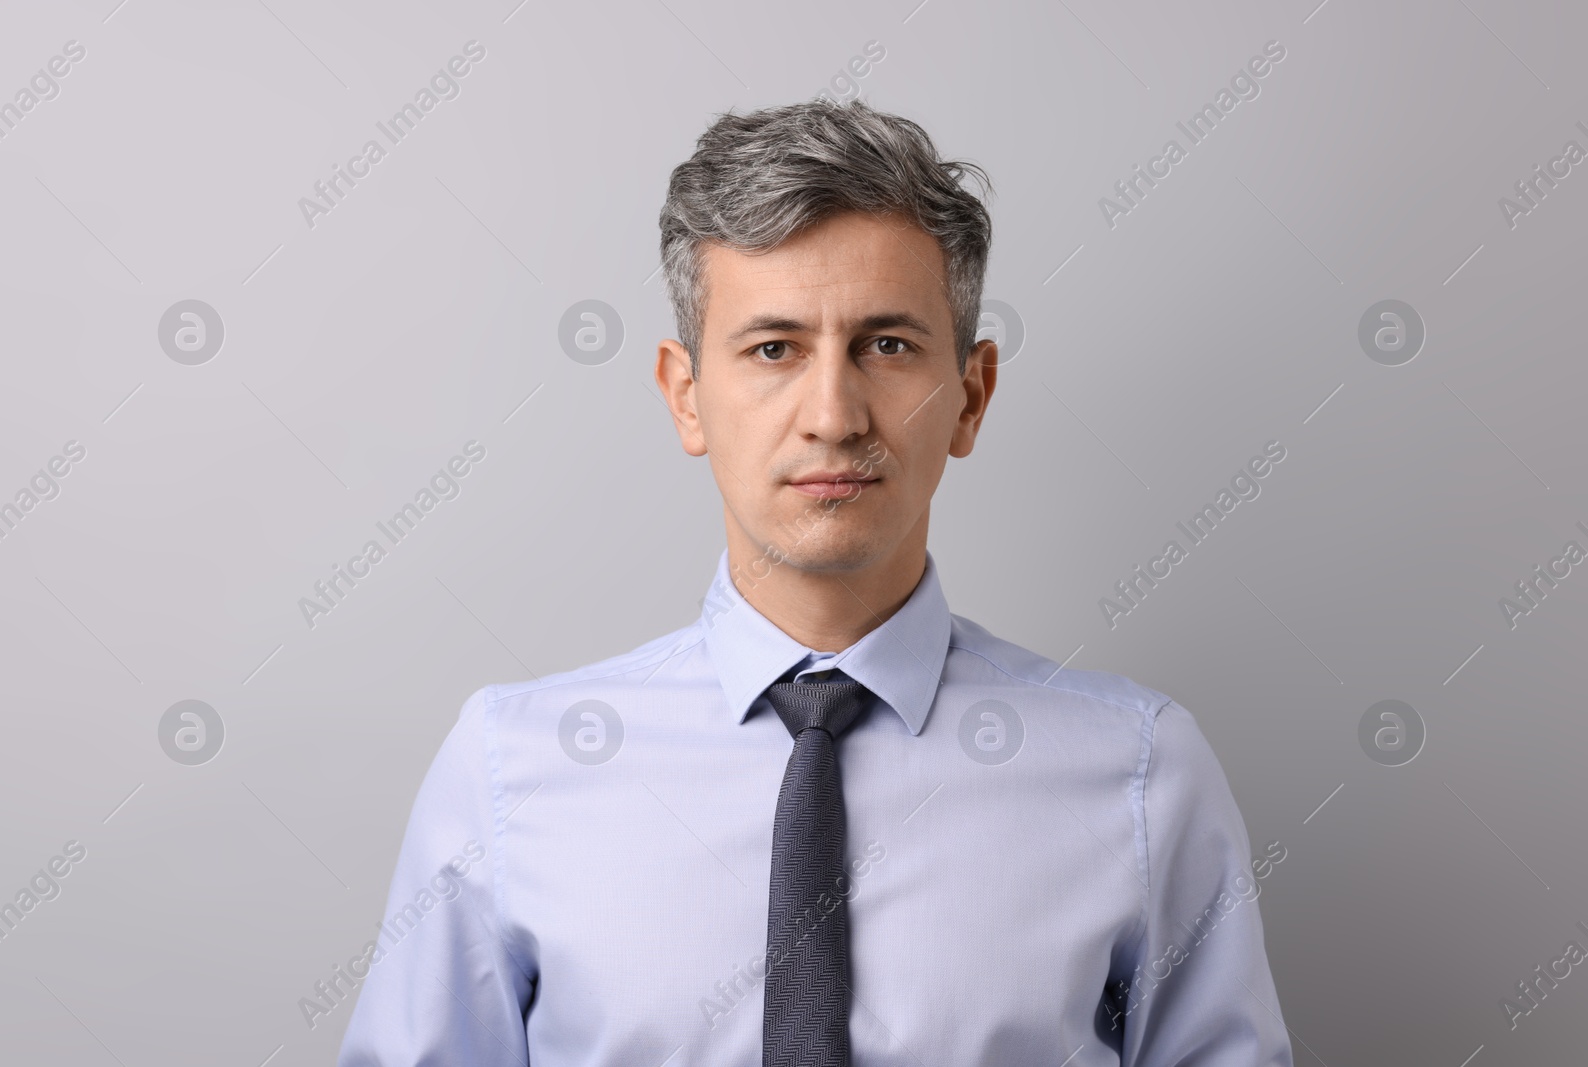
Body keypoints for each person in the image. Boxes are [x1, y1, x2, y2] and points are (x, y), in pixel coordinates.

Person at [338, 97, 1293, 1066]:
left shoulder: (1139, 773)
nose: (832, 415)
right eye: (772, 348)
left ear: (970, 395)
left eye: (886, 345)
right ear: (685, 394)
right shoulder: (510, 769)